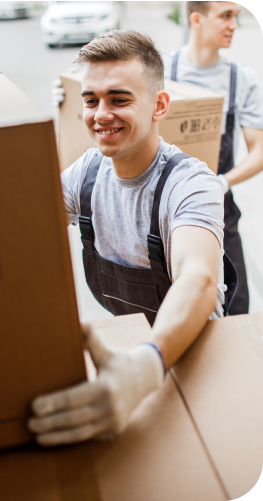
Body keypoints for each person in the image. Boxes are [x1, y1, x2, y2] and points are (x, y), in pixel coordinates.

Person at [27, 30, 236, 446]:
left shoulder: (191, 184)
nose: (100, 114)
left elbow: (198, 278)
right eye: (90, 101)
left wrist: (144, 368)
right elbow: (23, 230)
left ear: (159, 105)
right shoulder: (85, 174)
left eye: (119, 99)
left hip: (192, 357)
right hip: (128, 348)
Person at [162, 1, 263, 315]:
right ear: (197, 19)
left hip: (220, 210)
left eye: (236, 16)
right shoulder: (161, 71)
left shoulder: (240, 79)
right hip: (163, 209)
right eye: (226, 16)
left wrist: (222, 183)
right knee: (170, 307)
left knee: (235, 308)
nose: (234, 24)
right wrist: (74, 98)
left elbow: (259, 150)